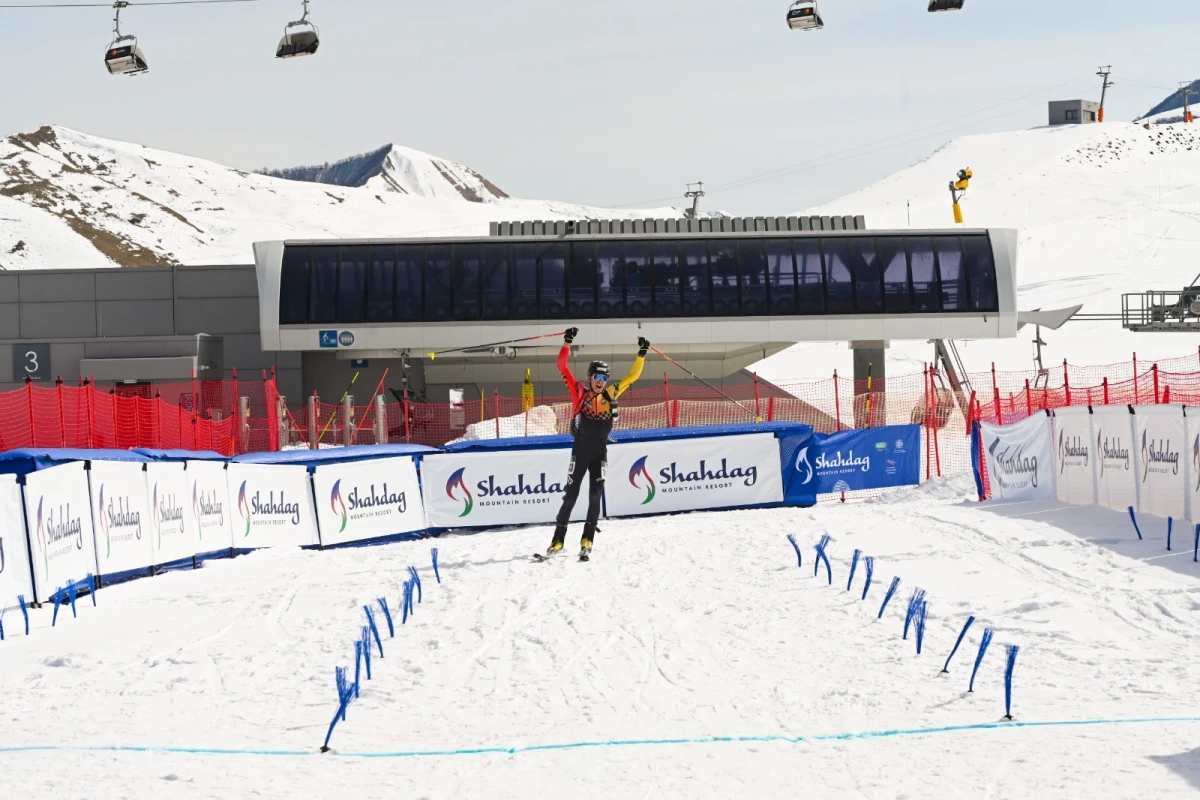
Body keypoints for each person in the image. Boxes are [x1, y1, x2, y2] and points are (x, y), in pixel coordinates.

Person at [547, 328, 649, 558]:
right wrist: (567, 342)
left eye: (604, 378)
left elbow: (632, 377)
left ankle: (587, 538)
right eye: (597, 377)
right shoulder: (579, 392)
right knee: (571, 495)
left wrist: (641, 354)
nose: (601, 382)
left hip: (599, 451)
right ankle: (557, 540)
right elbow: (562, 366)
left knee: (595, 496)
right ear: (590, 377)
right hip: (580, 449)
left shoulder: (612, 393)